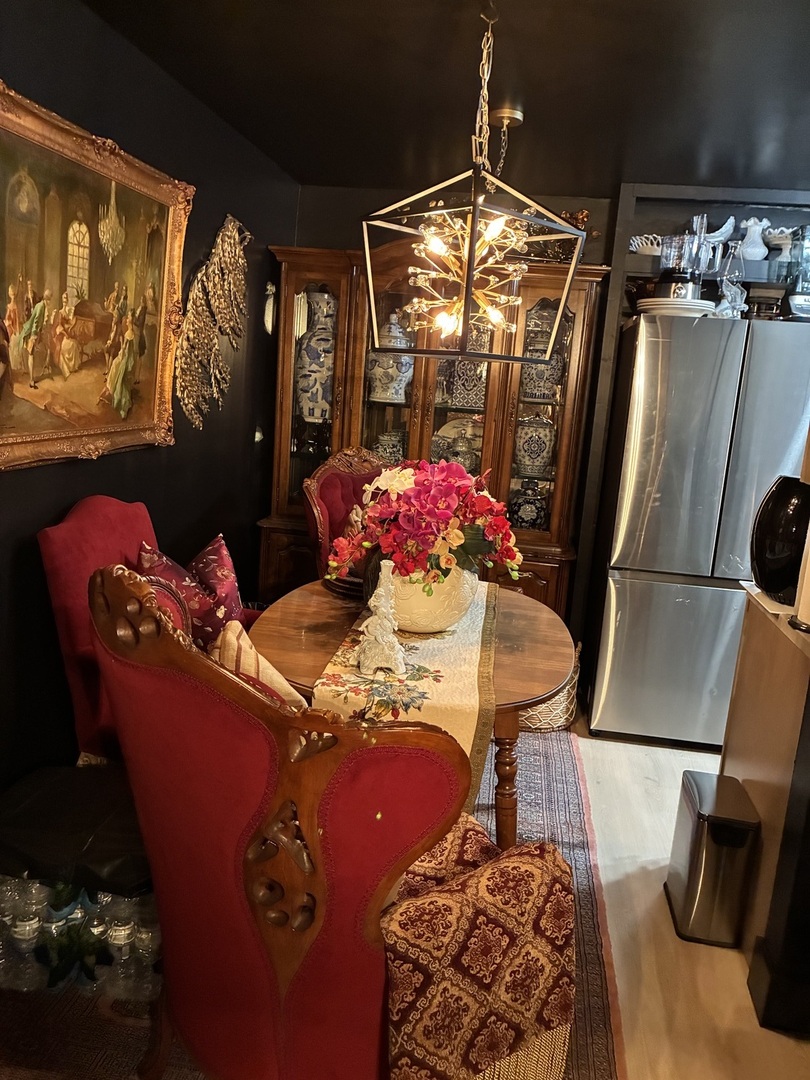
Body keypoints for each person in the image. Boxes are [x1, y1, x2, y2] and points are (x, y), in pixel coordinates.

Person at [100, 308, 137, 418]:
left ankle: (115, 394)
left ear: (131, 320)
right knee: (114, 364)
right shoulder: (130, 332)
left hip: (125, 358)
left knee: (115, 367)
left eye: (128, 318)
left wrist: (120, 357)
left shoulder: (129, 333)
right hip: (126, 356)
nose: (126, 319)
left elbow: (125, 350)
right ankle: (110, 389)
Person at [19, 288, 52, 388]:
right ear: (47, 299)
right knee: (31, 354)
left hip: (36, 332)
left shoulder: (42, 305)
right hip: (31, 332)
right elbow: (36, 321)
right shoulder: (41, 306)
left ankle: (42, 369)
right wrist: (33, 335)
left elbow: (40, 323)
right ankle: (31, 380)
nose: (50, 302)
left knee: (45, 349)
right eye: (50, 299)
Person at [51, 292, 82, 379]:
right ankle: (68, 367)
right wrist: (65, 334)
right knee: (69, 345)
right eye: (64, 298)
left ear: (67, 300)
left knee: (74, 344)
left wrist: (73, 322)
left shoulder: (68, 312)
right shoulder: (60, 312)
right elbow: (59, 327)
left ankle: (73, 367)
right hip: (60, 335)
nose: (65, 300)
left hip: (66, 333)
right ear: (62, 300)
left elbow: (69, 324)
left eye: (66, 298)